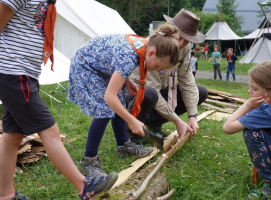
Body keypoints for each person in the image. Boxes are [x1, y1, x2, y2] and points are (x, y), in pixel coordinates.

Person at [0, 1, 117, 199]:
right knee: (50, 131)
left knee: (13, 136)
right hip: (13, 72)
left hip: (25, 73)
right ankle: (83, 185)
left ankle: (5, 195)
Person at [68, 25, 180, 177]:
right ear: (152, 53)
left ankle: (124, 146)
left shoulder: (143, 45)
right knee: (104, 111)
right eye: (159, 66)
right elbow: (109, 97)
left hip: (99, 66)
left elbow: (115, 59)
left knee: (118, 102)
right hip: (86, 66)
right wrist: (131, 120)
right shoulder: (130, 56)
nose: (157, 70)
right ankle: (89, 161)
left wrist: (127, 80)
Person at [123, 8, 208, 145]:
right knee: (148, 94)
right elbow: (152, 88)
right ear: (171, 30)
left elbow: (187, 80)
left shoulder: (185, 47)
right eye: (179, 37)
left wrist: (192, 115)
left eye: (186, 40)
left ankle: (153, 121)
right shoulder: (151, 47)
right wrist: (177, 120)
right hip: (134, 91)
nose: (181, 44)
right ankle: (131, 137)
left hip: (158, 91)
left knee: (201, 92)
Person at [223, 61, 271, 199]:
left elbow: (227, 128)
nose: (249, 91)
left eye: (254, 88)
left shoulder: (269, 111)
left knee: (251, 132)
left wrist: (247, 104)